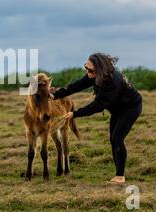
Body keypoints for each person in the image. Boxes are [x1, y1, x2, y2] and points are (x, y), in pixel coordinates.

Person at [49, 53, 142, 184]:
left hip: (130, 108)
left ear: (100, 69)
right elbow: (75, 86)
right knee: (113, 139)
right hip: (116, 109)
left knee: (117, 138)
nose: (88, 72)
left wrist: (75, 114)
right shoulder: (94, 75)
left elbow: (97, 106)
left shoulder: (112, 81)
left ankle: (120, 176)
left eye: (91, 70)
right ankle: (119, 173)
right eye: (86, 67)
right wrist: (55, 95)